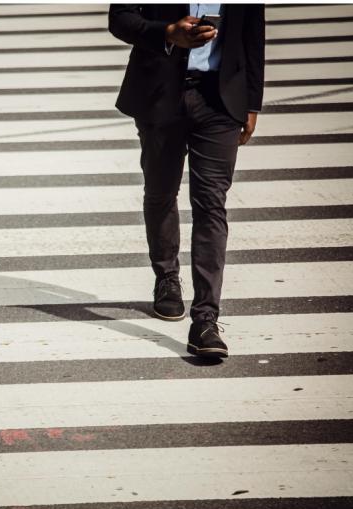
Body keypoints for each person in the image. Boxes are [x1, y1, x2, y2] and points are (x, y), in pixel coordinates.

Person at [108, 4, 265, 358]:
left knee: (211, 204)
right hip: (159, 95)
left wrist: (252, 101)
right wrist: (167, 33)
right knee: (161, 191)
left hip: (221, 99)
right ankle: (166, 275)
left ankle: (206, 319)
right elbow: (119, 18)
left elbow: (253, 31)